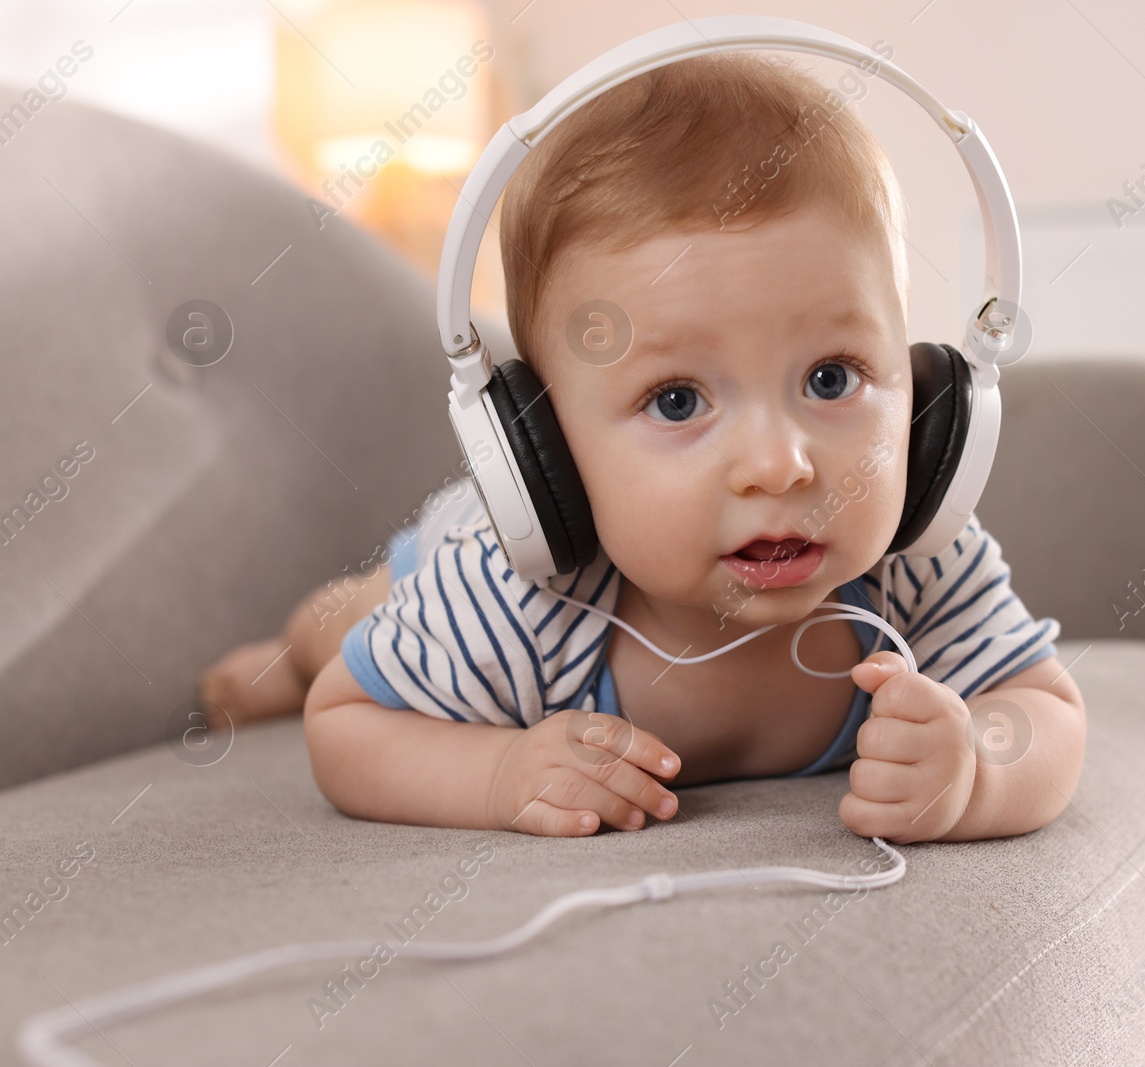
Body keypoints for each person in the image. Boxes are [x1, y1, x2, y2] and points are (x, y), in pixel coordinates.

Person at [199, 50, 1086, 845]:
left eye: (830, 378)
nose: (779, 465)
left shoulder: (916, 571)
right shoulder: (514, 605)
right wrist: (498, 775)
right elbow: (348, 723)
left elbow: (1045, 707)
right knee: (354, 619)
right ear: (545, 445)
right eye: (677, 399)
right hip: (448, 553)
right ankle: (289, 646)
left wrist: (978, 768)